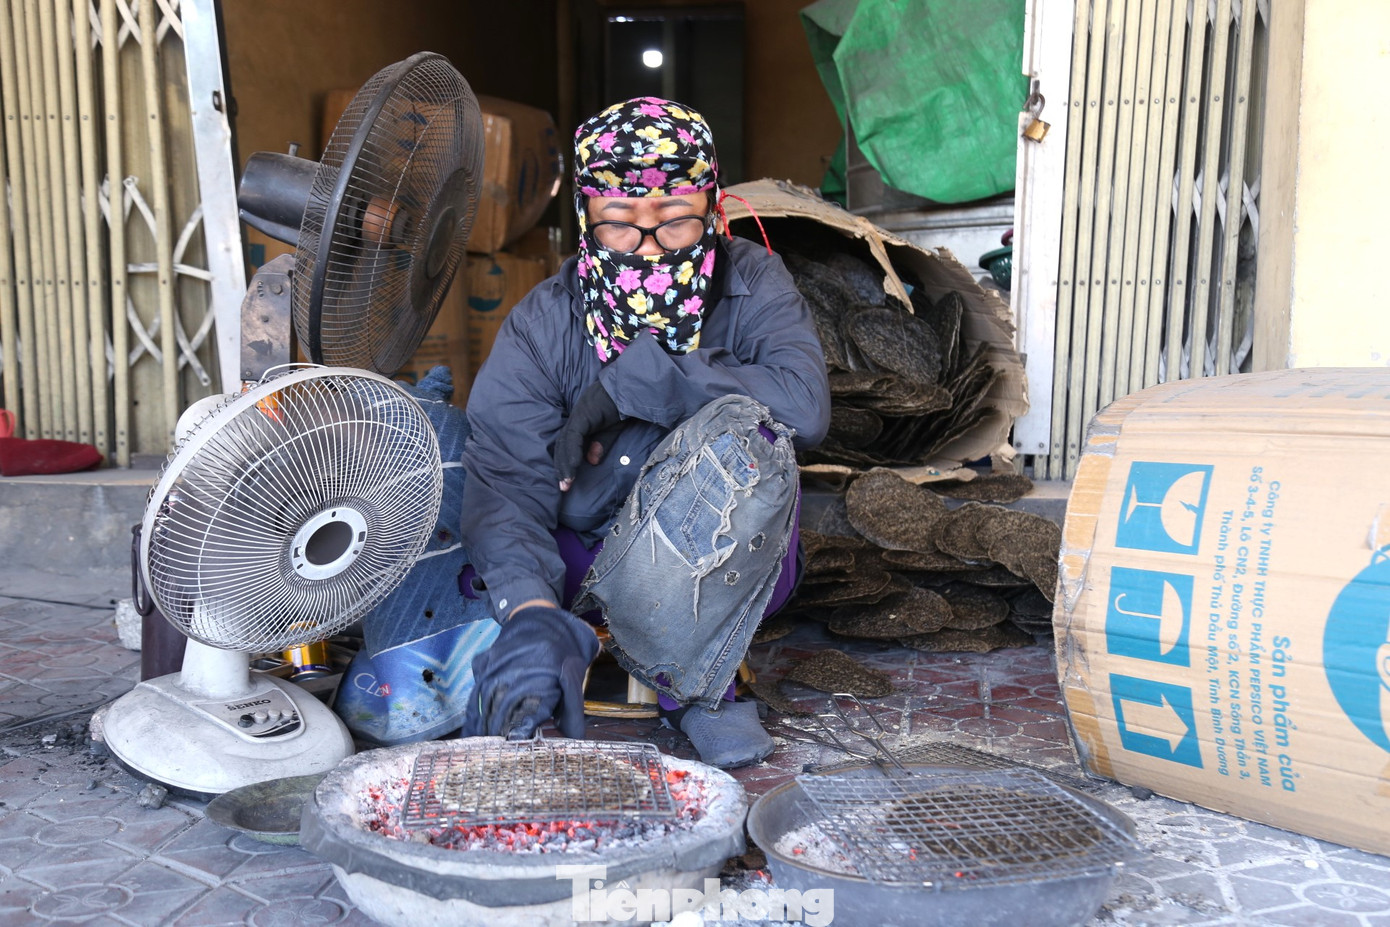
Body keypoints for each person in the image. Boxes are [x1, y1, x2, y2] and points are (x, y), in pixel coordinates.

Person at [457, 96, 831, 768]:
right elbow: (506, 482)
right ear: (585, 219)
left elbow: (804, 407)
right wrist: (532, 610)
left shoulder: (752, 281)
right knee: (492, 529)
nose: (650, 249)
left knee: (747, 429)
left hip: (720, 553)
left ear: (714, 212)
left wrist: (630, 385)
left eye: (677, 221)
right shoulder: (543, 324)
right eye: (619, 225)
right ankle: (571, 633)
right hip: (586, 558)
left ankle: (696, 678)